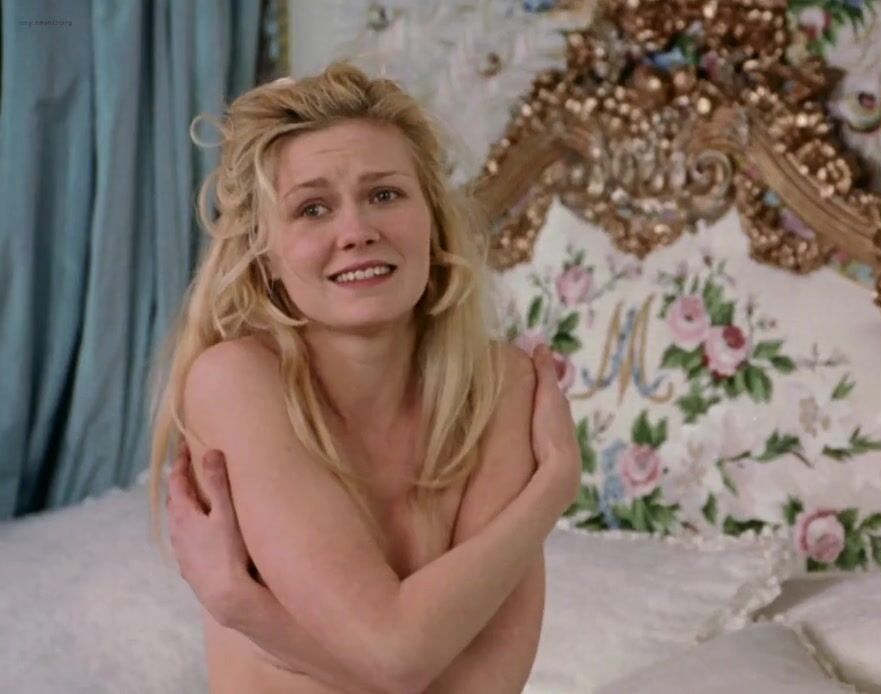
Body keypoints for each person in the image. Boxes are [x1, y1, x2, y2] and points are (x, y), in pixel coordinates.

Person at [147, 63, 581, 694]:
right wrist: (551, 491)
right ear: (266, 255)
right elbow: (395, 654)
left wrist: (254, 614)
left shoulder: (500, 385)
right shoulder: (235, 381)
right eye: (312, 208)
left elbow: (484, 688)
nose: (356, 232)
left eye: (384, 195)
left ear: (432, 220)